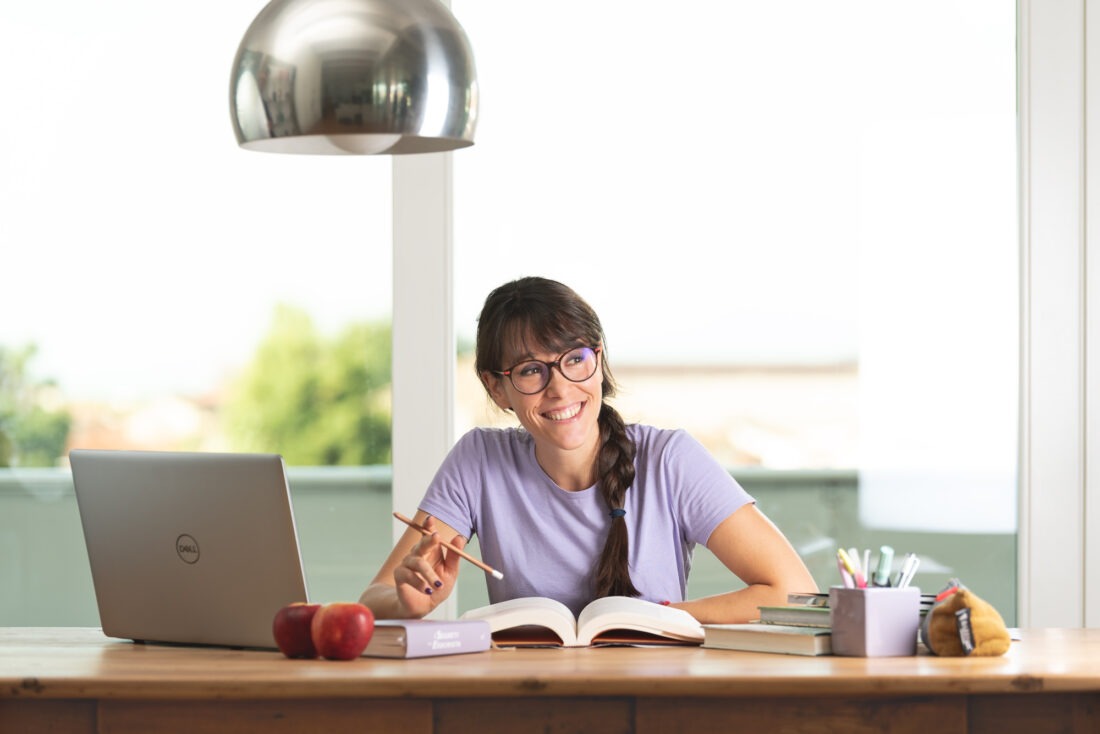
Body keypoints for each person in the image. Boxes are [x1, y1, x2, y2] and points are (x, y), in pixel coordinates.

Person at [360, 276, 817, 622]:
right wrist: (406, 600)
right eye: (530, 370)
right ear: (496, 388)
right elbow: (374, 598)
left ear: (599, 362)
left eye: (574, 360)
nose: (559, 389)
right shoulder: (478, 461)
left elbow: (793, 590)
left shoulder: (670, 460)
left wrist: (662, 620)